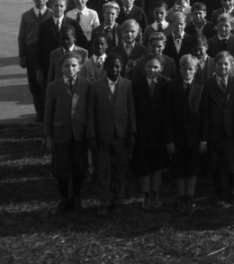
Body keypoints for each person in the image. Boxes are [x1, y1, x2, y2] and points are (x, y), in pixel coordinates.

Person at [87, 53, 136, 215]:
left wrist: (132, 133)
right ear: (105, 67)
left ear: (121, 67)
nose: (114, 69)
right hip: (103, 135)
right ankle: (105, 200)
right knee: (103, 168)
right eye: (110, 66)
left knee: (120, 168)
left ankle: (118, 200)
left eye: (117, 66)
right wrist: (91, 135)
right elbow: (91, 113)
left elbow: (131, 110)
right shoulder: (95, 86)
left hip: (121, 134)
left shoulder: (127, 85)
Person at [43, 52, 92, 214]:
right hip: (60, 133)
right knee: (61, 166)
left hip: (80, 133)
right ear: (61, 68)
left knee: (79, 165)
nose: (70, 69)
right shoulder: (54, 86)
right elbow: (48, 113)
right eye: (66, 66)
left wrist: (90, 133)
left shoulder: (86, 84)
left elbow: (90, 111)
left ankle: (77, 197)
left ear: (79, 67)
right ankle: (64, 198)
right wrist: (48, 136)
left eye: (73, 65)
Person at [165, 54, 209, 215]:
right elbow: (167, 115)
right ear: (179, 69)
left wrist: (204, 139)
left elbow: (206, 115)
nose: (187, 72)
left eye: (191, 69)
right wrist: (169, 139)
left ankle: (190, 197)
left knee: (192, 165)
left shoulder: (201, 86)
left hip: (194, 135)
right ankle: (181, 197)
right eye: (184, 69)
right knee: (178, 166)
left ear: (196, 70)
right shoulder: (172, 86)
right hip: (177, 135)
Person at [132, 53, 169, 211]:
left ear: (161, 68)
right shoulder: (136, 85)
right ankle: (146, 194)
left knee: (158, 164)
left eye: (155, 67)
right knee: (144, 164)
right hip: (142, 132)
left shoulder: (167, 83)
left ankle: (155, 193)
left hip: (160, 132)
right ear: (144, 67)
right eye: (149, 66)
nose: (152, 70)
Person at [205, 51, 234, 207]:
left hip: (230, 129)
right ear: (214, 65)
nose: (223, 67)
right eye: (220, 64)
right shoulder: (207, 83)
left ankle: (233, 189)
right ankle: (218, 191)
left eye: (226, 64)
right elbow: (205, 109)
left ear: (231, 66)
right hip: (214, 130)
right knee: (214, 162)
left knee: (232, 162)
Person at [18, 0, 51, 122]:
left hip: (46, 54)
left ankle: (48, 112)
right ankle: (39, 111)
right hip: (31, 53)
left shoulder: (51, 14)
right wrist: (22, 56)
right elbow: (21, 37)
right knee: (34, 83)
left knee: (47, 82)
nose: (40, 1)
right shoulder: (26, 16)